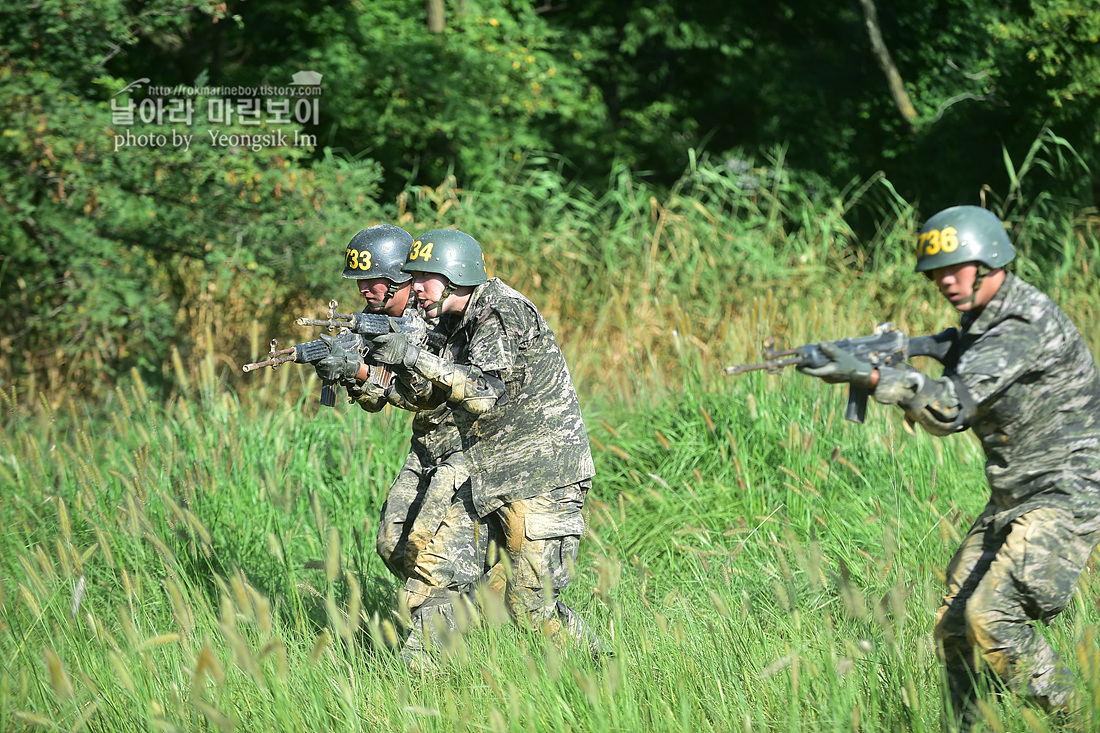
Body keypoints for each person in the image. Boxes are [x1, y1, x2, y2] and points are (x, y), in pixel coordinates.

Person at [798, 205, 1100, 729]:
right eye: (936, 273)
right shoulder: (982, 321)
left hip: (1067, 492)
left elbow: (949, 409)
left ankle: (1077, 715)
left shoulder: (1021, 324)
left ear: (990, 263)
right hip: (1015, 492)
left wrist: (875, 379)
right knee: (956, 627)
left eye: (956, 268)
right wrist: (900, 351)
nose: (944, 281)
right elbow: (953, 350)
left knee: (992, 618)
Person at [369, 228, 607, 655]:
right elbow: (430, 394)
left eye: (424, 276)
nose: (415, 287)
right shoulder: (445, 319)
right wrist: (367, 373)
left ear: (454, 274)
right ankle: (421, 685)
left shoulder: (501, 310)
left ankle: (601, 663)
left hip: (540, 477)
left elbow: (482, 394)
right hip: (477, 472)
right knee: (431, 579)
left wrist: (412, 356)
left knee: (531, 611)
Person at [314, 225, 488, 668]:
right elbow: (380, 397)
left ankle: (428, 664)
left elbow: (438, 387)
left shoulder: (441, 315)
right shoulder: (378, 321)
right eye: (359, 282)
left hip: (470, 447)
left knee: (433, 557)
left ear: (403, 278)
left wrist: (396, 361)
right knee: (394, 542)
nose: (365, 291)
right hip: (428, 446)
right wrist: (350, 370)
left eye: (373, 282)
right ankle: (479, 599)